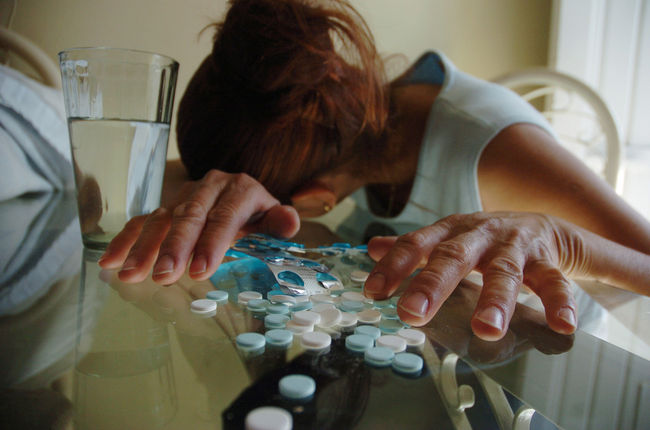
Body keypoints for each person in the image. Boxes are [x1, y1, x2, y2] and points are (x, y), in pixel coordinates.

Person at [98, 0, 650, 342]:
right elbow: (182, 179)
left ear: (314, 199)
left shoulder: (491, 146)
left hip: (569, 358)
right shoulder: (356, 120)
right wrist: (216, 190)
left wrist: (556, 236)